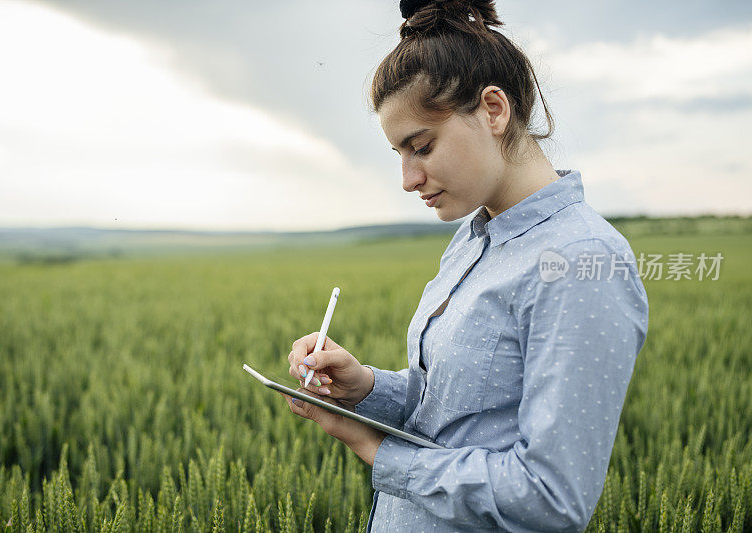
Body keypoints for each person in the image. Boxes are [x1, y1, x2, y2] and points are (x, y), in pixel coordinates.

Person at [278, 0, 649, 530]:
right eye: (399, 155)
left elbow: (550, 498)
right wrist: (364, 388)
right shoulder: (473, 238)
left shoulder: (581, 260)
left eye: (422, 147)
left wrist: (377, 450)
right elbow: (456, 410)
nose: (408, 179)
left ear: (494, 110)